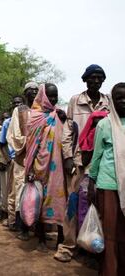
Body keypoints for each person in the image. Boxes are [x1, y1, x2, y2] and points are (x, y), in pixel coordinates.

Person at [55, 64, 110, 262]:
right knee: (74, 203)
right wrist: (68, 157)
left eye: (99, 78)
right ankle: (69, 246)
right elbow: (69, 130)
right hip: (80, 162)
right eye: (92, 78)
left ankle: (93, 246)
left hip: (102, 162)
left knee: (98, 204)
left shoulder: (108, 102)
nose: (96, 81)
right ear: (85, 80)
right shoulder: (75, 101)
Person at [88, 83, 125, 275]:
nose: (123, 101)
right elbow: (97, 156)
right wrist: (91, 182)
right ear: (112, 100)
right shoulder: (105, 124)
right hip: (109, 184)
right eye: (119, 98)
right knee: (110, 234)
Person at [24, 83, 65, 252]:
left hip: (58, 167)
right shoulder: (34, 116)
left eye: (55, 96)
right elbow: (31, 145)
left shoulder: (59, 114)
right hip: (39, 165)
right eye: (50, 96)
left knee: (59, 199)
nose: (53, 100)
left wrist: (64, 119)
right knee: (39, 201)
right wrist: (31, 169)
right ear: (43, 96)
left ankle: (61, 239)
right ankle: (40, 238)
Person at [6, 82, 38, 232]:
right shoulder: (19, 111)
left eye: (36, 90)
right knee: (20, 190)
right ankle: (21, 226)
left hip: (38, 160)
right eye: (30, 90)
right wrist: (31, 142)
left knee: (35, 192)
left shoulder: (41, 111)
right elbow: (14, 134)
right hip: (22, 159)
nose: (34, 92)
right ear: (25, 93)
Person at [0, 96, 24, 225]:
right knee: (12, 192)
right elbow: (1, 143)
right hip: (14, 160)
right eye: (15, 103)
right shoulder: (7, 122)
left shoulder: (27, 118)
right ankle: (12, 220)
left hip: (26, 161)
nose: (18, 105)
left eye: (20, 103)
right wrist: (8, 159)